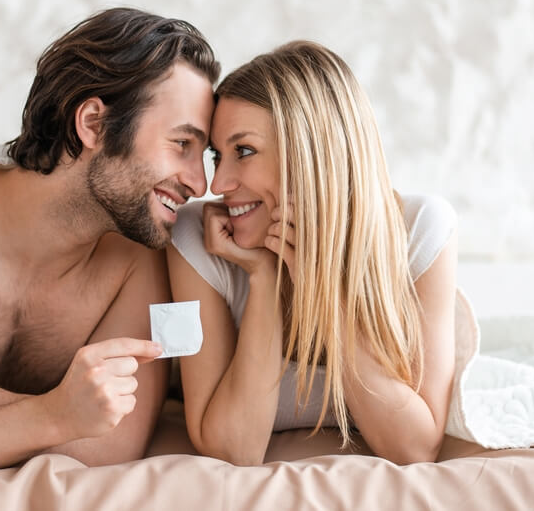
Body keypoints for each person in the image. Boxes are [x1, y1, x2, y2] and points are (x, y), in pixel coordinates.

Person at [0, 8, 220, 479]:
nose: (200, 183)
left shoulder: (137, 258)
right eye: (182, 144)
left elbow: (111, 445)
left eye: (204, 155)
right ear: (94, 124)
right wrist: (62, 418)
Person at [167, 41, 458, 466]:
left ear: (311, 154)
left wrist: (318, 278)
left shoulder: (420, 229)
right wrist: (265, 277)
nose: (218, 183)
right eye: (217, 155)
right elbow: (233, 450)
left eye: (243, 151)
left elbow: (415, 447)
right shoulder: (197, 237)